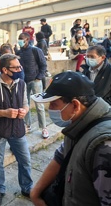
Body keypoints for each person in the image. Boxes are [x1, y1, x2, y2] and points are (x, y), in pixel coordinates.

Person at [30, 71, 111, 206]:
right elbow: (62, 155)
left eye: (54, 104)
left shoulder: (104, 145)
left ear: (75, 105)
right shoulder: (77, 123)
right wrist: (36, 193)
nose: (50, 110)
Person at [0, 54, 32, 206]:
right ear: (4, 69)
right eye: (15, 67)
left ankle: (27, 187)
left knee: (25, 160)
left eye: (19, 66)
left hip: (17, 129)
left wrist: (25, 110)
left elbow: (26, 104)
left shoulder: (21, 83)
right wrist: (4, 112)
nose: (19, 69)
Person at [15, 32, 48, 138]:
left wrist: (39, 77)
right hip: (23, 81)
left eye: (21, 39)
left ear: (27, 40)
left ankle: (43, 128)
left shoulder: (35, 50)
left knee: (39, 105)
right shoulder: (19, 52)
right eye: (19, 39)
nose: (20, 40)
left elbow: (43, 64)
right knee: (25, 104)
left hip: (35, 81)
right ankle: (27, 125)